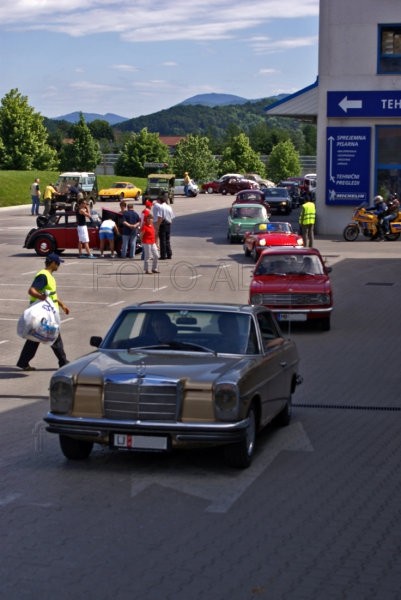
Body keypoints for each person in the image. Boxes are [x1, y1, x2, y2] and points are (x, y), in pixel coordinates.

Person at [16, 253, 70, 371]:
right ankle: (64, 362)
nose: (59, 265)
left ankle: (23, 362)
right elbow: (32, 291)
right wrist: (42, 298)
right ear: (52, 263)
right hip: (42, 313)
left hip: (48, 311)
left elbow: (51, 295)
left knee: (35, 337)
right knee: (54, 335)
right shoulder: (43, 276)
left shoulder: (49, 276)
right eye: (58, 263)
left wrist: (62, 305)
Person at [157, 192, 175, 260]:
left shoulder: (161, 207)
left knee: (162, 241)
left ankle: (163, 255)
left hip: (163, 224)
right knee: (167, 240)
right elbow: (172, 217)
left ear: (160, 201)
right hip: (168, 224)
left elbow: (160, 217)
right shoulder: (169, 207)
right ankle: (169, 254)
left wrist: (158, 226)